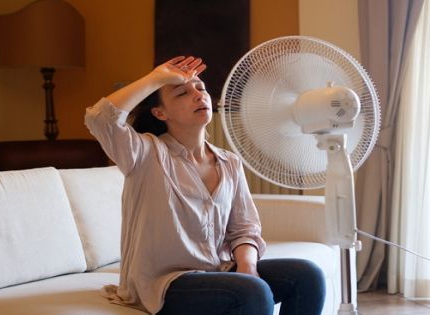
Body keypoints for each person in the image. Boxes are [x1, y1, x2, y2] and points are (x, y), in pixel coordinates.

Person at [85, 56, 326, 315]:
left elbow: (244, 228)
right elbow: (100, 119)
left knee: (307, 275)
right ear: (160, 112)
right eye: (182, 93)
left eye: (200, 88)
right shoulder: (144, 154)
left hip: (217, 273)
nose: (198, 96)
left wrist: (247, 267)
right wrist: (157, 78)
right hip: (163, 285)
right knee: (251, 292)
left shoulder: (229, 162)